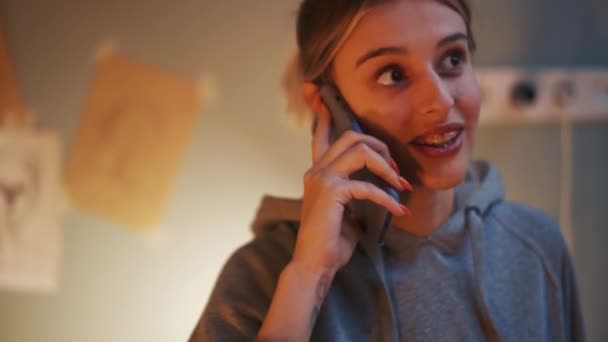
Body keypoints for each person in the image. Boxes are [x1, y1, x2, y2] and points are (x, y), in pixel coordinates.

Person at [189, 0, 586, 341]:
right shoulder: (260, 277)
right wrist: (307, 278)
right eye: (392, 74)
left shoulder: (535, 247)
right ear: (325, 104)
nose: (440, 100)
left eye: (452, 60)